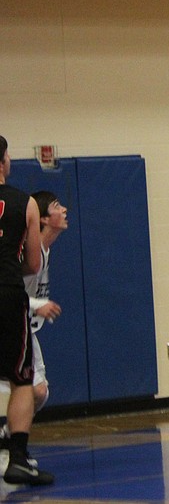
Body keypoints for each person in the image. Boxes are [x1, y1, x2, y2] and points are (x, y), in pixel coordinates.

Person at [0, 136, 52, 486]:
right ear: (3, 162)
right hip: (6, 292)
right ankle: (18, 458)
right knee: (21, 379)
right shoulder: (26, 203)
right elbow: (34, 263)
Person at [0, 190, 66, 449]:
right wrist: (38, 305)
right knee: (30, 388)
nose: (64, 210)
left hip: (24, 326)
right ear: (43, 219)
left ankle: (9, 434)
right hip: (11, 321)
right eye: (57, 206)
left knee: (39, 392)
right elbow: (13, 295)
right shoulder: (27, 256)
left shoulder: (44, 252)